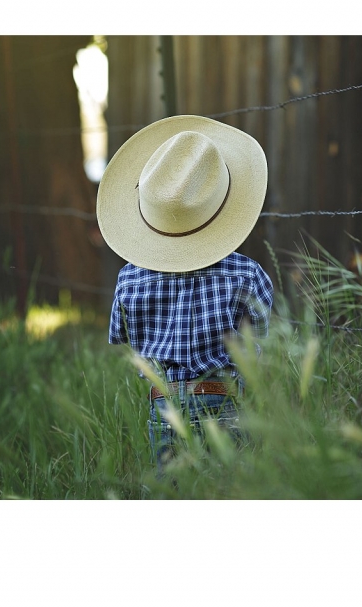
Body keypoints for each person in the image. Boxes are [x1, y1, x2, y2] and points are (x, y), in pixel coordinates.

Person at [96, 115, 274, 474]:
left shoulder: (128, 281)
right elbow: (264, 336)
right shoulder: (246, 273)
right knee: (228, 489)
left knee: (170, 491)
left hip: (163, 406)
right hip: (226, 401)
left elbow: (123, 336)